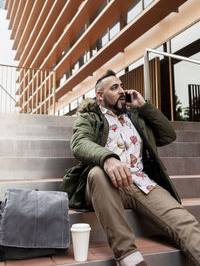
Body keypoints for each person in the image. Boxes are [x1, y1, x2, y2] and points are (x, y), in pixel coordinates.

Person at [61, 70, 200, 266]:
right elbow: (79, 143)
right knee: (97, 172)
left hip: (141, 183)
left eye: (122, 86)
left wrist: (144, 107)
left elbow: (169, 135)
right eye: (114, 87)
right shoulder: (90, 118)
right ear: (100, 95)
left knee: (186, 222)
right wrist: (108, 159)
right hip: (107, 184)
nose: (122, 91)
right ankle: (128, 257)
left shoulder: (136, 117)